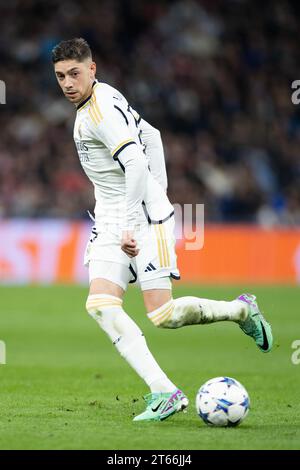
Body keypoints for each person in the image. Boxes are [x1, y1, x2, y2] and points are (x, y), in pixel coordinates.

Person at [52, 38, 273, 422]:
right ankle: (164, 392)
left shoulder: (100, 110)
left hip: (136, 219)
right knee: (101, 305)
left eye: (74, 73)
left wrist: (145, 209)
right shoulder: (101, 97)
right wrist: (159, 191)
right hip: (111, 218)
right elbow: (151, 135)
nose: (68, 83)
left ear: (92, 69)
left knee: (163, 316)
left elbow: (136, 163)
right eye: (60, 76)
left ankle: (241, 311)